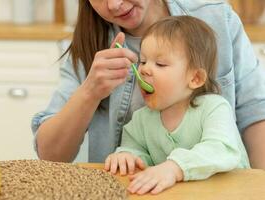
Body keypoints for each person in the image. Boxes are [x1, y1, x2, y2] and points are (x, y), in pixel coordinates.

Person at [31, 0, 265, 168]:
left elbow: (256, 113)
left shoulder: (216, 18)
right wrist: (90, 92)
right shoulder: (90, 43)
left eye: (161, 64)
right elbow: (51, 155)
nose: (113, 5)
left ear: (196, 77)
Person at [104, 15, 250, 195]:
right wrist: (127, 157)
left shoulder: (214, 108)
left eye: (160, 64)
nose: (144, 69)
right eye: (142, 61)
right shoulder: (142, 119)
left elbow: (221, 149)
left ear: (195, 78)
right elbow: (135, 150)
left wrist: (175, 167)